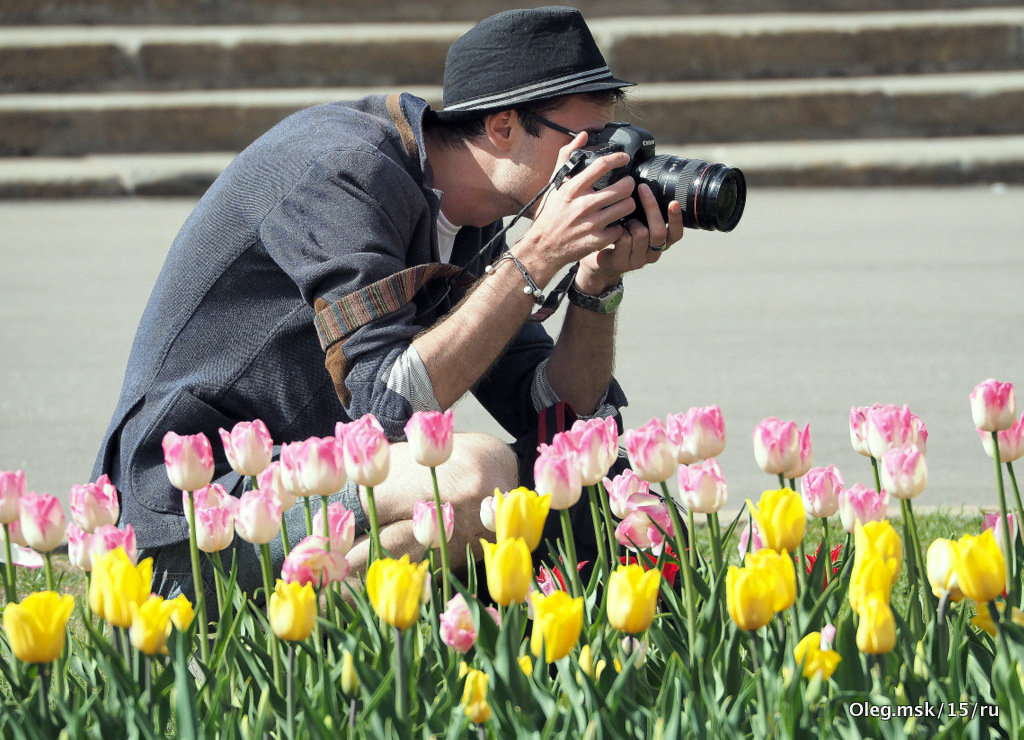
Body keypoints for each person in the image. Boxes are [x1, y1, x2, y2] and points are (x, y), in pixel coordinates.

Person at [92, 5, 684, 602]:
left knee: (607, 483)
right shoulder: (342, 174)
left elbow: (557, 418)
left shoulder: (476, 217)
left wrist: (593, 290)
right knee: (472, 479)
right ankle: (314, 643)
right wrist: (534, 260)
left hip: (311, 487)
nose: (614, 165)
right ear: (504, 127)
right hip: (191, 520)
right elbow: (387, 406)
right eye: (591, 143)